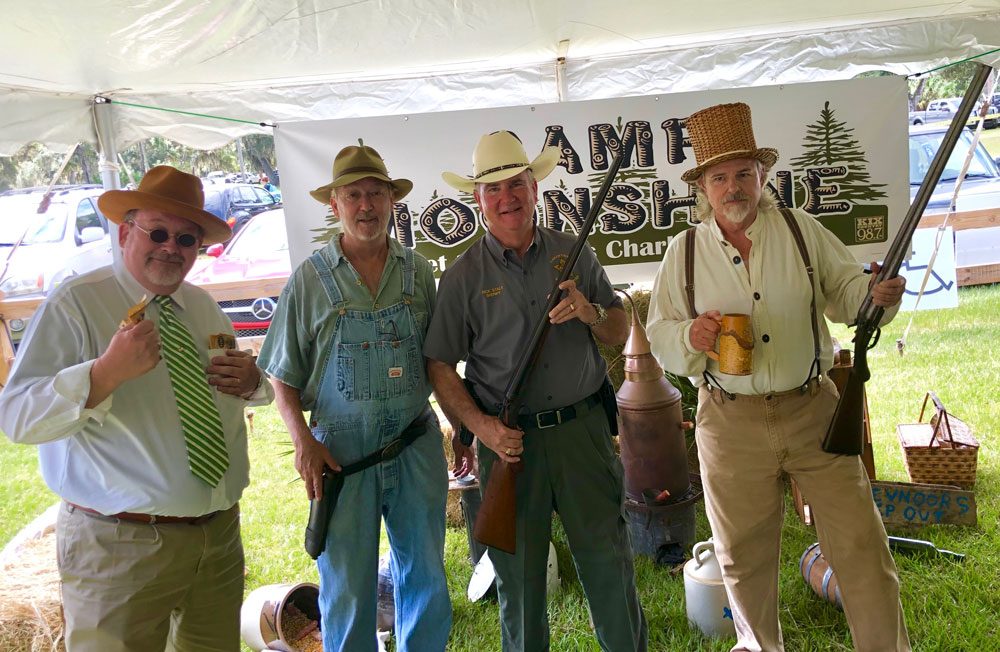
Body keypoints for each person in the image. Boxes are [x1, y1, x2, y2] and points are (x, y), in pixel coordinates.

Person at [646, 102, 910, 652]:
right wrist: (690, 336)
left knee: (860, 544)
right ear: (704, 187)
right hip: (728, 422)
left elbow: (848, 298)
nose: (734, 186)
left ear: (762, 174)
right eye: (720, 176)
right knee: (742, 557)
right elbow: (659, 334)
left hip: (812, 411)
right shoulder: (684, 253)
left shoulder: (801, 230)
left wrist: (876, 297)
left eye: (744, 172)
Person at [0, 165, 271, 652]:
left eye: (187, 239)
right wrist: (105, 373)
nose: (173, 247)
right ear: (126, 231)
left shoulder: (202, 306)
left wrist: (253, 382)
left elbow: (228, 389)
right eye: (159, 232)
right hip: (120, 546)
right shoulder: (77, 304)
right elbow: (17, 416)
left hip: (217, 537)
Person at [425, 130, 648, 652]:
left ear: (535, 188)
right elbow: (438, 364)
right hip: (509, 446)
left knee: (608, 566)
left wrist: (590, 312)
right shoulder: (461, 278)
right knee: (519, 583)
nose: (508, 198)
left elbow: (619, 328)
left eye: (518, 184)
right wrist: (481, 428)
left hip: (582, 435)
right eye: (494, 189)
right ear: (478, 201)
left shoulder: (575, 254)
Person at [256, 143, 452, 652]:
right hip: (339, 456)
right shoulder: (309, 281)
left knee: (426, 572)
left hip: (415, 441)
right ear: (335, 204)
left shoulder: (419, 273)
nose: (366, 205)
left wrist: (462, 426)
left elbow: (438, 362)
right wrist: (302, 440)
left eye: (376, 194)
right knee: (346, 583)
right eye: (354, 195)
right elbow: (281, 375)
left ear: (392, 200)